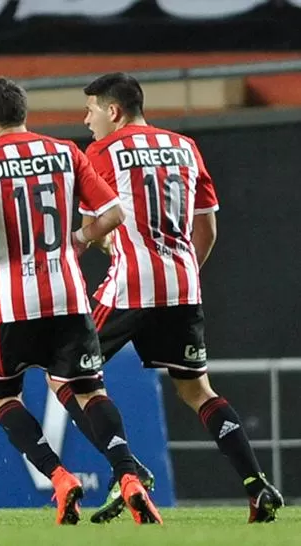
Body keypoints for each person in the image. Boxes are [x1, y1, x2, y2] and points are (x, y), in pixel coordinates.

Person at [66, 72, 284, 524]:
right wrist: (182, 273)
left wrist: (82, 240)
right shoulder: (186, 147)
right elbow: (207, 228)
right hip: (184, 285)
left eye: (90, 110)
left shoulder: (102, 152)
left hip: (131, 284)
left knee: (65, 375)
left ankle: (127, 471)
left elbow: (102, 228)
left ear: (114, 111)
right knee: (196, 389)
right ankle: (256, 484)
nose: (85, 120)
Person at [0, 78, 161, 525]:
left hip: (13, 304)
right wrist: (78, 240)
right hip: (69, 295)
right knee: (88, 390)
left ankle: (60, 478)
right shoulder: (66, 151)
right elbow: (115, 213)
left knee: (3, 396)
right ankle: (128, 475)